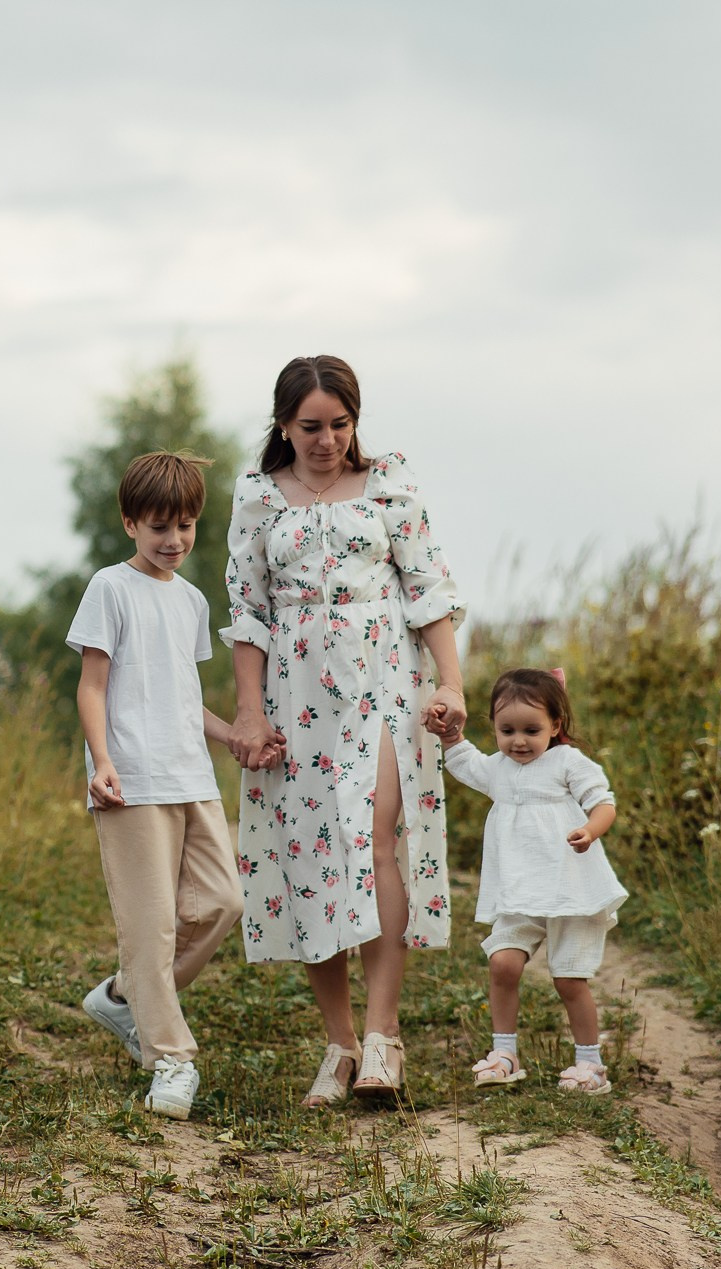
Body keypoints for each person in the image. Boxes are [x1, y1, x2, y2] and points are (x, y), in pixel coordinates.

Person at [221, 355, 467, 1108]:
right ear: (283, 426)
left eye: (339, 424)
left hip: (384, 685)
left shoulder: (389, 483)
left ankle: (385, 1037)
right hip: (294, 699)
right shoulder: (260, 496)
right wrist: (250, 708)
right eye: (310, 427)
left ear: (355, 421)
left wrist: (450, 681)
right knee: (312, 857)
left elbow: (428, 587)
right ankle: (339, 1043)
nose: (326, 440)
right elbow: (248, 611)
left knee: (378, 840)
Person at [67, 452, 252, 1120]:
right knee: (152, 928)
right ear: (129, 523)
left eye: (185, 525)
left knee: (225, 900)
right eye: (158, 527)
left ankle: (123, 996)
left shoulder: (193, 599)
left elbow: (180, 694)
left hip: (191, 776)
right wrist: (101, 760)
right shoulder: (110, 588)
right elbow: (92, 685)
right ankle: (171, 1057)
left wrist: (229, 733)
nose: (173, 539)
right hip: (132, 781)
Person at [438, 668, 626, 1096]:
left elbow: (603, 803)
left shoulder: (566, 762)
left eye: (531, 730)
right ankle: (504, 1053)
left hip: (569, 889)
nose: (518, 741)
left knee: (568, 979)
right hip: (518, 892)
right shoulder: (499, 768)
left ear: (555, 726)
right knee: (502, 964)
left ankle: (590, 1063)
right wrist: (449, 734)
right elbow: (466, 762)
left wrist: (591, 830)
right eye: (507, 730)